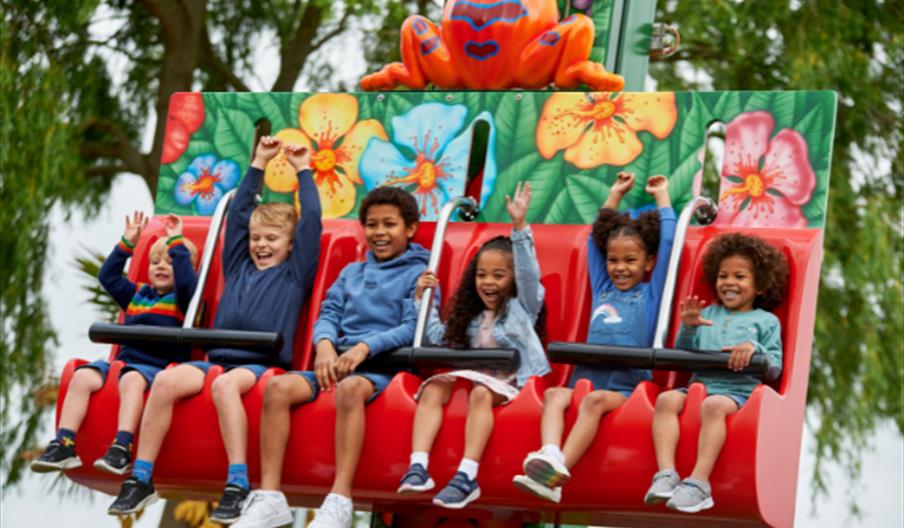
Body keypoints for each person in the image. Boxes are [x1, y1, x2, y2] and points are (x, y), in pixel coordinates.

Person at [107, 136, 322, 521]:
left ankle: (237, 482)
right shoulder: (238, 266)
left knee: (225, 387)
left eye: (272, 239)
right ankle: (140, 476)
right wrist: (258, 163)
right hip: (217, 358)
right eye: (256, 238)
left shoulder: (294, 275)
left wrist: (303, 170)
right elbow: (237, 217)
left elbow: (311, 224)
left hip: (261, 363)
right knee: (166, 381)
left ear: (290, 245)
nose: (261, 245)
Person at [232, 186, 428, 528]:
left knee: (351, 389)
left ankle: (339, 499)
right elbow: (329, 312)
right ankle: (270, 496)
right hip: (339, 362)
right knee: (277, 388)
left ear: (410, 228)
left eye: (389, 224)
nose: (379, 232)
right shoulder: (352, 273)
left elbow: (412, 327)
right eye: (372, 225)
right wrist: (324, 344)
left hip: (383, 367)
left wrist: (364, 348)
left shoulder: (419, 274)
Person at [513, 172, 675, 503]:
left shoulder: (650, 294)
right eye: (613, 260)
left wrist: (663, 198)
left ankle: (556, 475)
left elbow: (669, 243)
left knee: (593, 401)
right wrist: (613, 195)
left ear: (648, 263)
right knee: (555, 395)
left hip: (625, 387)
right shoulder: (603, 288)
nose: (620, 268)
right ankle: (550, 453)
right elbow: (593, 243)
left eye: (630, 260)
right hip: (586, 379)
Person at [395, 181, 549, 510]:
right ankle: (418, 466)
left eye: (498, 276)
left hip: (511, 382)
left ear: (512, 280)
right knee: (434, 386)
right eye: (482, 275)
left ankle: (467, 475)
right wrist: (422, 299)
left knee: (480, 393)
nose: (488, 282)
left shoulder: (522, 308)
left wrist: (520, 227)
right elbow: (435, 336)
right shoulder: (473, 318)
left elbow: (528, 275)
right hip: (477, 379)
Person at [31, 212, 198, 475]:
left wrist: (176, 242)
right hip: (123, 363)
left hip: (157, 368)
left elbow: (188, 283)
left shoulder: (185, 301)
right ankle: (64, 443)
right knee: (82, 376)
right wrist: (126, 244)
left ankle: (122, 446)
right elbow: (108, 277)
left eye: (170, 261)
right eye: (155, 262)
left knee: (131, 380)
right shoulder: (138, 294)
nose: (161, 266)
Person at [643, 232, 788, 513]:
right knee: (666, 400)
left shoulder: (766, 320)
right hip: (699, 386)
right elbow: (684, 355)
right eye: (723, 276)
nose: (729, 282)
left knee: (713, 406)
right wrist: (689, 326)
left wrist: (753, 348)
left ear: (760, 285)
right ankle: (666, 474)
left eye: (740, 277)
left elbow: (775, 366)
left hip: (737, 392)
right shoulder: (708, 313)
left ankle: (699, 483)